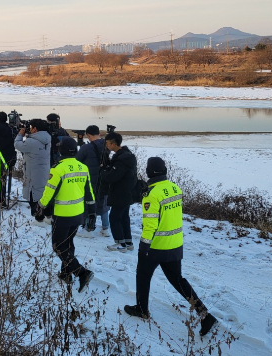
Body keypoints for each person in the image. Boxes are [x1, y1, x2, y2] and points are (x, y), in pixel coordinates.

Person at [124, 157, 218, 337]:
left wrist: (143, 247)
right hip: (175, 244)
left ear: (149, 172)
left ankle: (142, 310)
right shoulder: (175, 188)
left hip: (156, 247)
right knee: (178, 281)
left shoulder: (151, 194)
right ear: (165, 170)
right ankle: (205, 315)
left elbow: (150, 225)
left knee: (143, 277)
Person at [38, 137, 95, 292]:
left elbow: (49, 192)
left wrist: (40, 208)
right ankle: (65, 274)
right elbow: (89, 192)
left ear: (60, 151)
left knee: (58, 245)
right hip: (78, 214)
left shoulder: (58, 168)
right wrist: (92, 212)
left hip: (62, 215)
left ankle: (81, 272)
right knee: (68, 243)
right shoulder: (83, 167)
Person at [99, 131, 140, 252]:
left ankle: (120, 244)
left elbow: (112, 176)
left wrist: (103, 171)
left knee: (115, 217)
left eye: (107, 143)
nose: (106, 145)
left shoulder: (123, 159)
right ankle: (128, 242)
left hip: (121, 193)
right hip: (127, 192)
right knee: (124, 217)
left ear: (114, 144)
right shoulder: (126, 155)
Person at [14, 118, 52, 224]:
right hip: (44, 171)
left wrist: (20, 134)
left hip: (32, 173)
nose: (29, 130)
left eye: (31, 128)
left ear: (35, 129)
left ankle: (39, 219)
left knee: (33, 196)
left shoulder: (31, 142)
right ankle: (49, 216)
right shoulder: (47, 139)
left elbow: (17, 145)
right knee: (43, 193)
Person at [75, 125, 110, 238]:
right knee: (103, 203)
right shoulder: (106, 144)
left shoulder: (86, 148)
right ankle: (105, 228)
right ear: (98, 133)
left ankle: (88, 229)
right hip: (104, 178)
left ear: (88, 135)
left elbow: (77, 161)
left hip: (90, 179)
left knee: (89, 203)